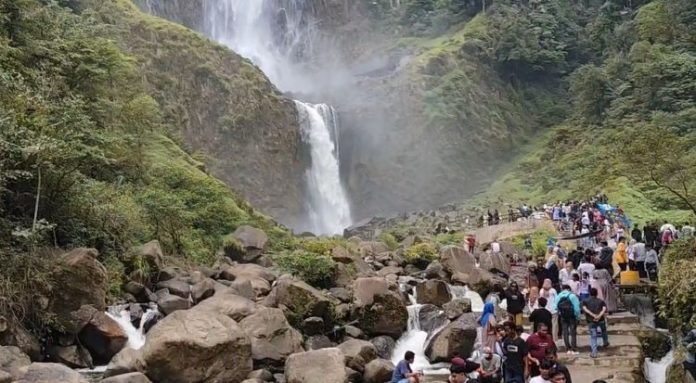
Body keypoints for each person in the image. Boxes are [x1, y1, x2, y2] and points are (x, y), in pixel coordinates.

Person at [582, 288, 610, 358]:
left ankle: (594, 353)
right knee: (603, 330)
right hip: (601, 320)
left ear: (589, 293)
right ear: (597, 293)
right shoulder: (601, 301)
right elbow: (604, 309)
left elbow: (585, 310)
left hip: (591, 321)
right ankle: (605, 342)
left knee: (593, 336)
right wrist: (599, 316)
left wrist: (593, 315)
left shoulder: (585, 301)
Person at [553, 285, 581, 354]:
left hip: (563, 316)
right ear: (569, 289)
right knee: (573, 332)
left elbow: (555, 307)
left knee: (565, 332)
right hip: (572, 316)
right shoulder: (572, 296)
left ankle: (568, 348)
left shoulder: (559, 296)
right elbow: (577, 308)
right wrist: (578, 317)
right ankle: (574, 348)